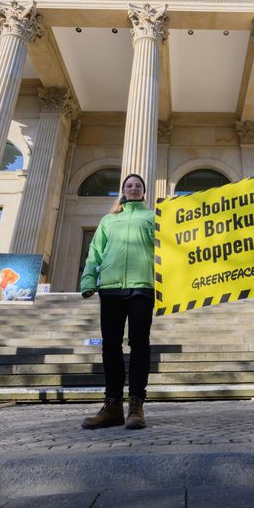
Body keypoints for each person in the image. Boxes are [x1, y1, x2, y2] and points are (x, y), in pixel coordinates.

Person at [79, 173, 156, 430]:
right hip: (110, 288)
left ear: (144, 192)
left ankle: (136, 405)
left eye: (138, 186)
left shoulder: (154, 218)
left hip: (142, 286)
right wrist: (89, 279)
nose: (133, 188)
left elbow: (172, 249)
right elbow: (95, 252)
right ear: (122, 191)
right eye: (129, 185)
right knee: (110, 346)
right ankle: (112, 405)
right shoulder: (109, 220)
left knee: (139, 345)